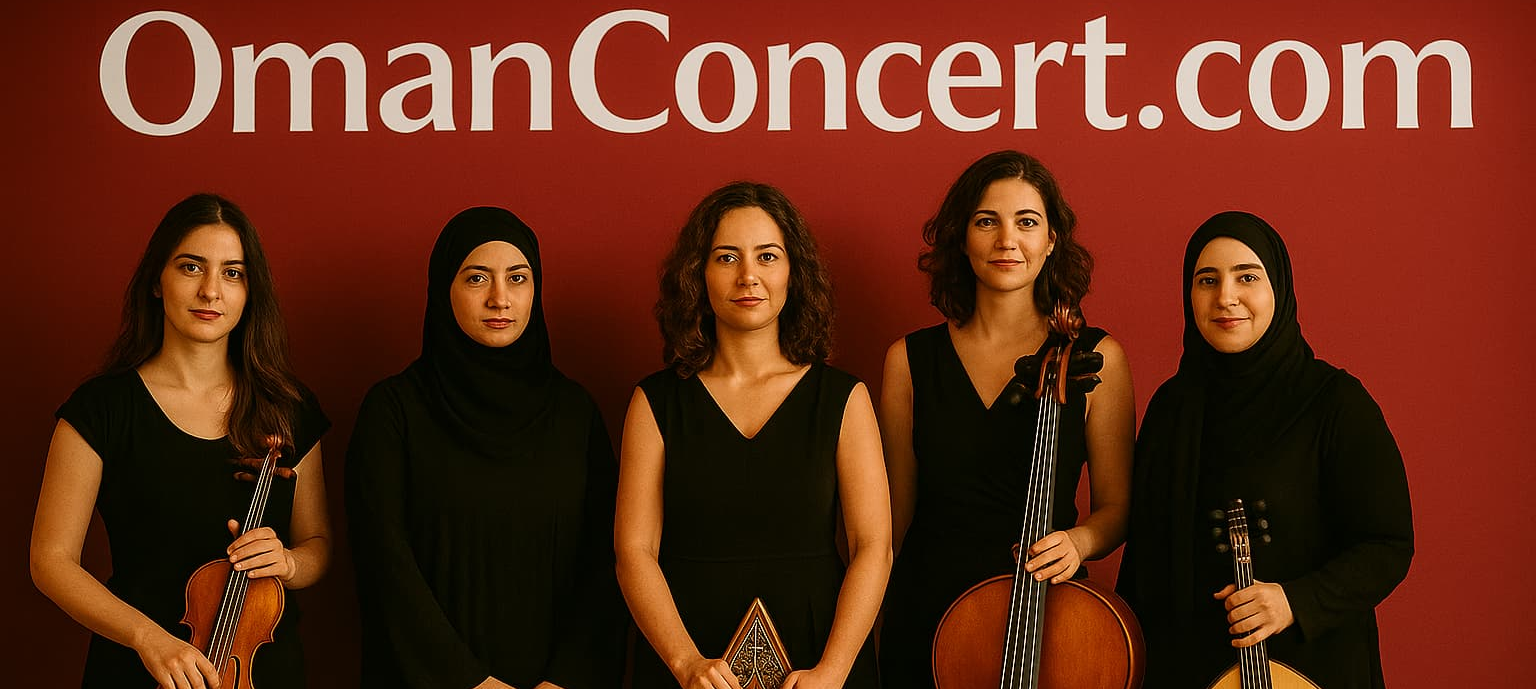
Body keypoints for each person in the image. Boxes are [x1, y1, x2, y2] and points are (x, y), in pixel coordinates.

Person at [30, 193, 331, 688]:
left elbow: (318, 545)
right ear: (157, 281)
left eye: (232, 273)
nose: (211, 291)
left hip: (258, 670)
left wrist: (289, 563)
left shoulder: (289, 408)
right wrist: (149, 639)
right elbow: (50, 562)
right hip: (135, 668)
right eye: (191, 267)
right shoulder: (101, 409)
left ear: (250, 291)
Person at [1116, 211, 1413, 688]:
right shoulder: (1171, 406)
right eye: (1207, 280)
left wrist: (1295, 601)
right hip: (1187, 670)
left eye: (1247, 277)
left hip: (1314, 668)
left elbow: (1388, 545)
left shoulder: (1334, 402)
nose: (1225, 297)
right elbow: (1143, 564)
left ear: (1279, 288)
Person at [616, 182, 892, 689]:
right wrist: (685, 663)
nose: (748, 276)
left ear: (793, 272)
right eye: (727, 257)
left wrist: (832, 673)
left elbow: (873, 546)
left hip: (820, 662)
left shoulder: (844, 397)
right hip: (688, 664)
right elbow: (634, 551)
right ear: (697, 274)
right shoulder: (654, 402)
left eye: (767, 256)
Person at [877, 150, 1135, 689]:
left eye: (1027, 222)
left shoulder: (1096, 358)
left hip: (1046, 618)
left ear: (1052, 240)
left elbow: (1118, 508)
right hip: (927, 616)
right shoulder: (909, 361)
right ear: (961, 237)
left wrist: (1078, 543)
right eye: (986, 221)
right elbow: (893, 521)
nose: (1007, 240)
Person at [346, 206, 624, 689]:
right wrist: (469, 681)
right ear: (443, 289)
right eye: (477, 278)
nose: (500, 299)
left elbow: (606, 560)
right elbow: (384, 563)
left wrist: (565, 679)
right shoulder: (394, 411)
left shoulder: (575, 413)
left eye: (517, 278)